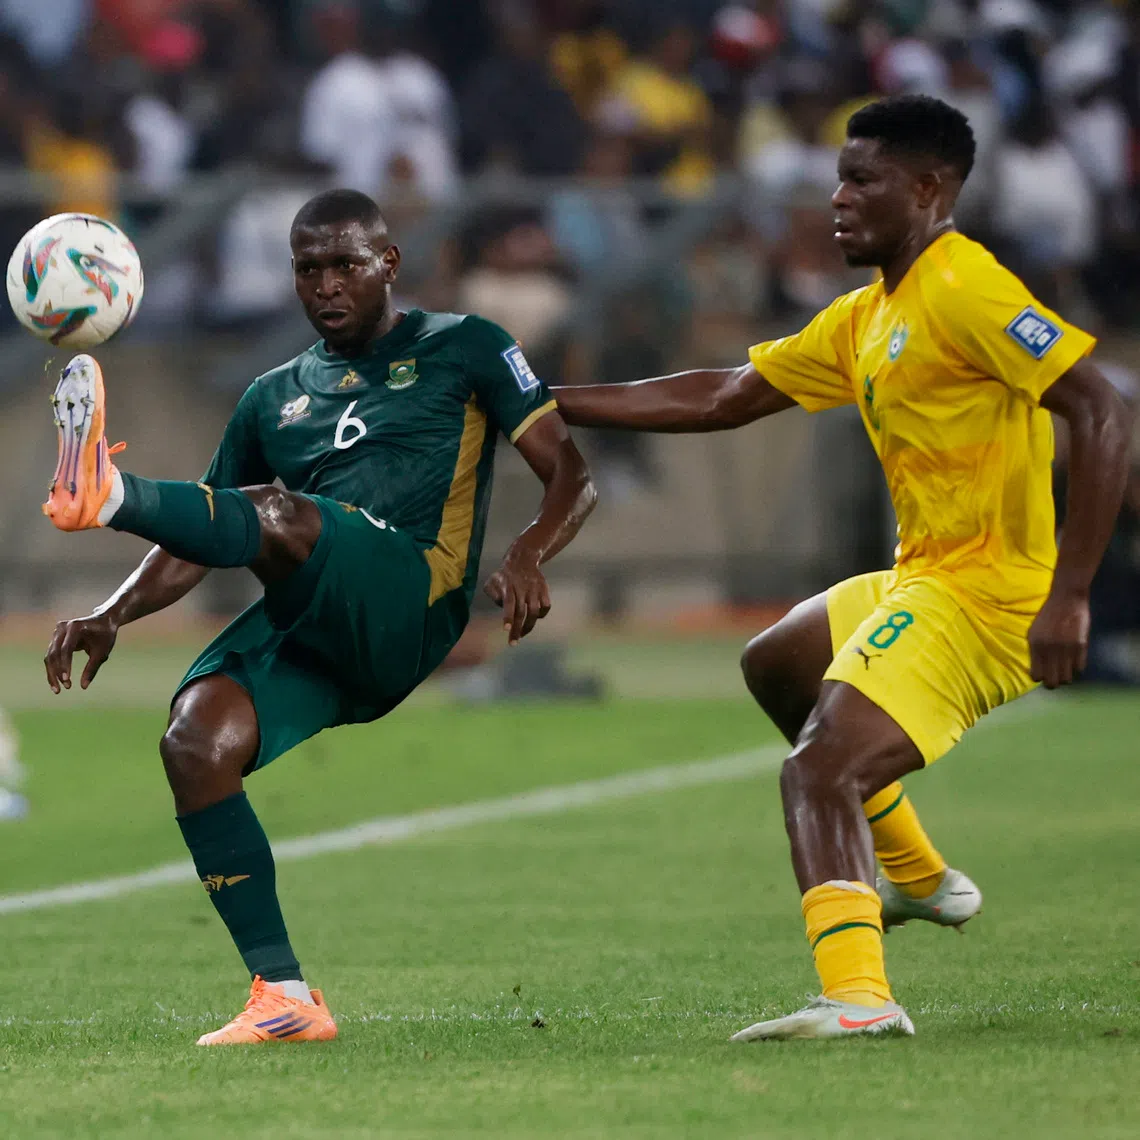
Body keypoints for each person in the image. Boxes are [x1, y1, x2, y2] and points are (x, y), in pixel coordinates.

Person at [552, 95, 1132, 1040]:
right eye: (839, 176)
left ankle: (859, 1001)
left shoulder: (966, 288)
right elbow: (723, 396)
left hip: (988, 597)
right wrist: (540, 401)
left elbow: (1102, 410)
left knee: (817, 770)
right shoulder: (869, 315)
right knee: (777, 662)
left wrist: (1071, 595)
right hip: (925, 576)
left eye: (863, 179)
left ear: (930, 188)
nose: (838, 197)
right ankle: (918, 877)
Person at [41, 188, 596, 1046]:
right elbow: (206, 526)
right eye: (309, 269)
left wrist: (526, 549)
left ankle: (109, 492)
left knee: (276, 512)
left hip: (411, 598)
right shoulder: (272, 396)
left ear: (389, 265)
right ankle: (284, 995)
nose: (327, 284)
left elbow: (572, 473)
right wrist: (114, 613)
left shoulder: (467, 347)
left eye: (345, 264)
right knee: (195, 742)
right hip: (316, 621)